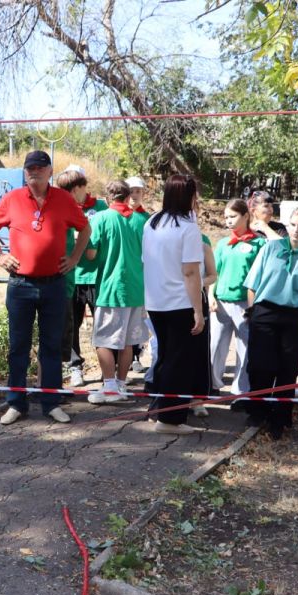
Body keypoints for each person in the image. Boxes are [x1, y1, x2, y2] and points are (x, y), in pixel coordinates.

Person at [0, 150, 91, 425]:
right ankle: (16, 404)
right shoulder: (13, 199)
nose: (34, 172)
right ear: (24, 171)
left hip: (54, 284)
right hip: (20, 285)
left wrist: (76, 257)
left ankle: (51, 403)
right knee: (18, 346)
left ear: (50, 171)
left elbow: (85, 228)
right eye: (29, 168)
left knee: (51, 347)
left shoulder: (64, 199)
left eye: (39, 168)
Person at [243, 207, 298, 439]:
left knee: (288, 368)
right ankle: (257, 411)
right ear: (287, 226)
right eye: (293, 225)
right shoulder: (271, 248)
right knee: (261, 364)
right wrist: (252, 311)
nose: (296, 230)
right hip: (265, 312)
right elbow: (253, 283)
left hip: (293, 316)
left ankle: (280, 417)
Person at [142, 175, 206, 434]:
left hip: (156, 301)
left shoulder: (152, 222)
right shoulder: (188, 227)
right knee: (179, 361)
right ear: (188, 196)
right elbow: (190, 272)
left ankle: (157, 410)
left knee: (165, 357)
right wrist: (198, 310)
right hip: (180, 303)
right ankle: (170, 420)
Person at [85, 180, 149, 404]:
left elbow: (91, 254)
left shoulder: (100, 218)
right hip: (137, 289)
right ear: (127, 195)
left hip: (112, 288)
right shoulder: (142, 220)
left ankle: (110, 386)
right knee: (128, 342)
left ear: (107, 197)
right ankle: (121, 384)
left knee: (103, 339)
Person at [56, 166, 107, 388]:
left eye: (69, 190)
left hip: (97, 277)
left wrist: (88, 237)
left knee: (103, 325)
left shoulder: (101, 207)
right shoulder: (62, 206)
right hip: (72, 277)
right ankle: (75, 367)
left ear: (79, 188)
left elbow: (107, 237)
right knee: (71, 325)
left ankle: (109, 372)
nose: (66, 195)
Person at [210, 199, 265, 403]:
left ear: (246, 216)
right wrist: (210, 296)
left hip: (245, 304)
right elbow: (214, 272)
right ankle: (213, 384)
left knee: (245, 348)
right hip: (221, 303)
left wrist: (254, 306)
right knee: (215, 345)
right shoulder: (224, 244)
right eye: (226, 217)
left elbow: (261, 276)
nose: (228, 221)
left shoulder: (259, 243)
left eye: (233, 216)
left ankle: (240, 391)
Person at [125, 176, 151, 373]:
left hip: (141, 277)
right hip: (121, 276)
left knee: (138, 321)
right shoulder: (118, 216)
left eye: (138, 191)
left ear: (144, 194)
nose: (134, 195)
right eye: (131, 191)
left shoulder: (148, 219)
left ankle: (136, 356)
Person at [192, 233, 218, 418]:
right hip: (172, 302)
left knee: (199, 352)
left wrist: (197, 283)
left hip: (197, 301)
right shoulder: (166, 243)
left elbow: (212, 275)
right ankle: (172, 400)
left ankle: (197, 400)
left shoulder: (203, 245)